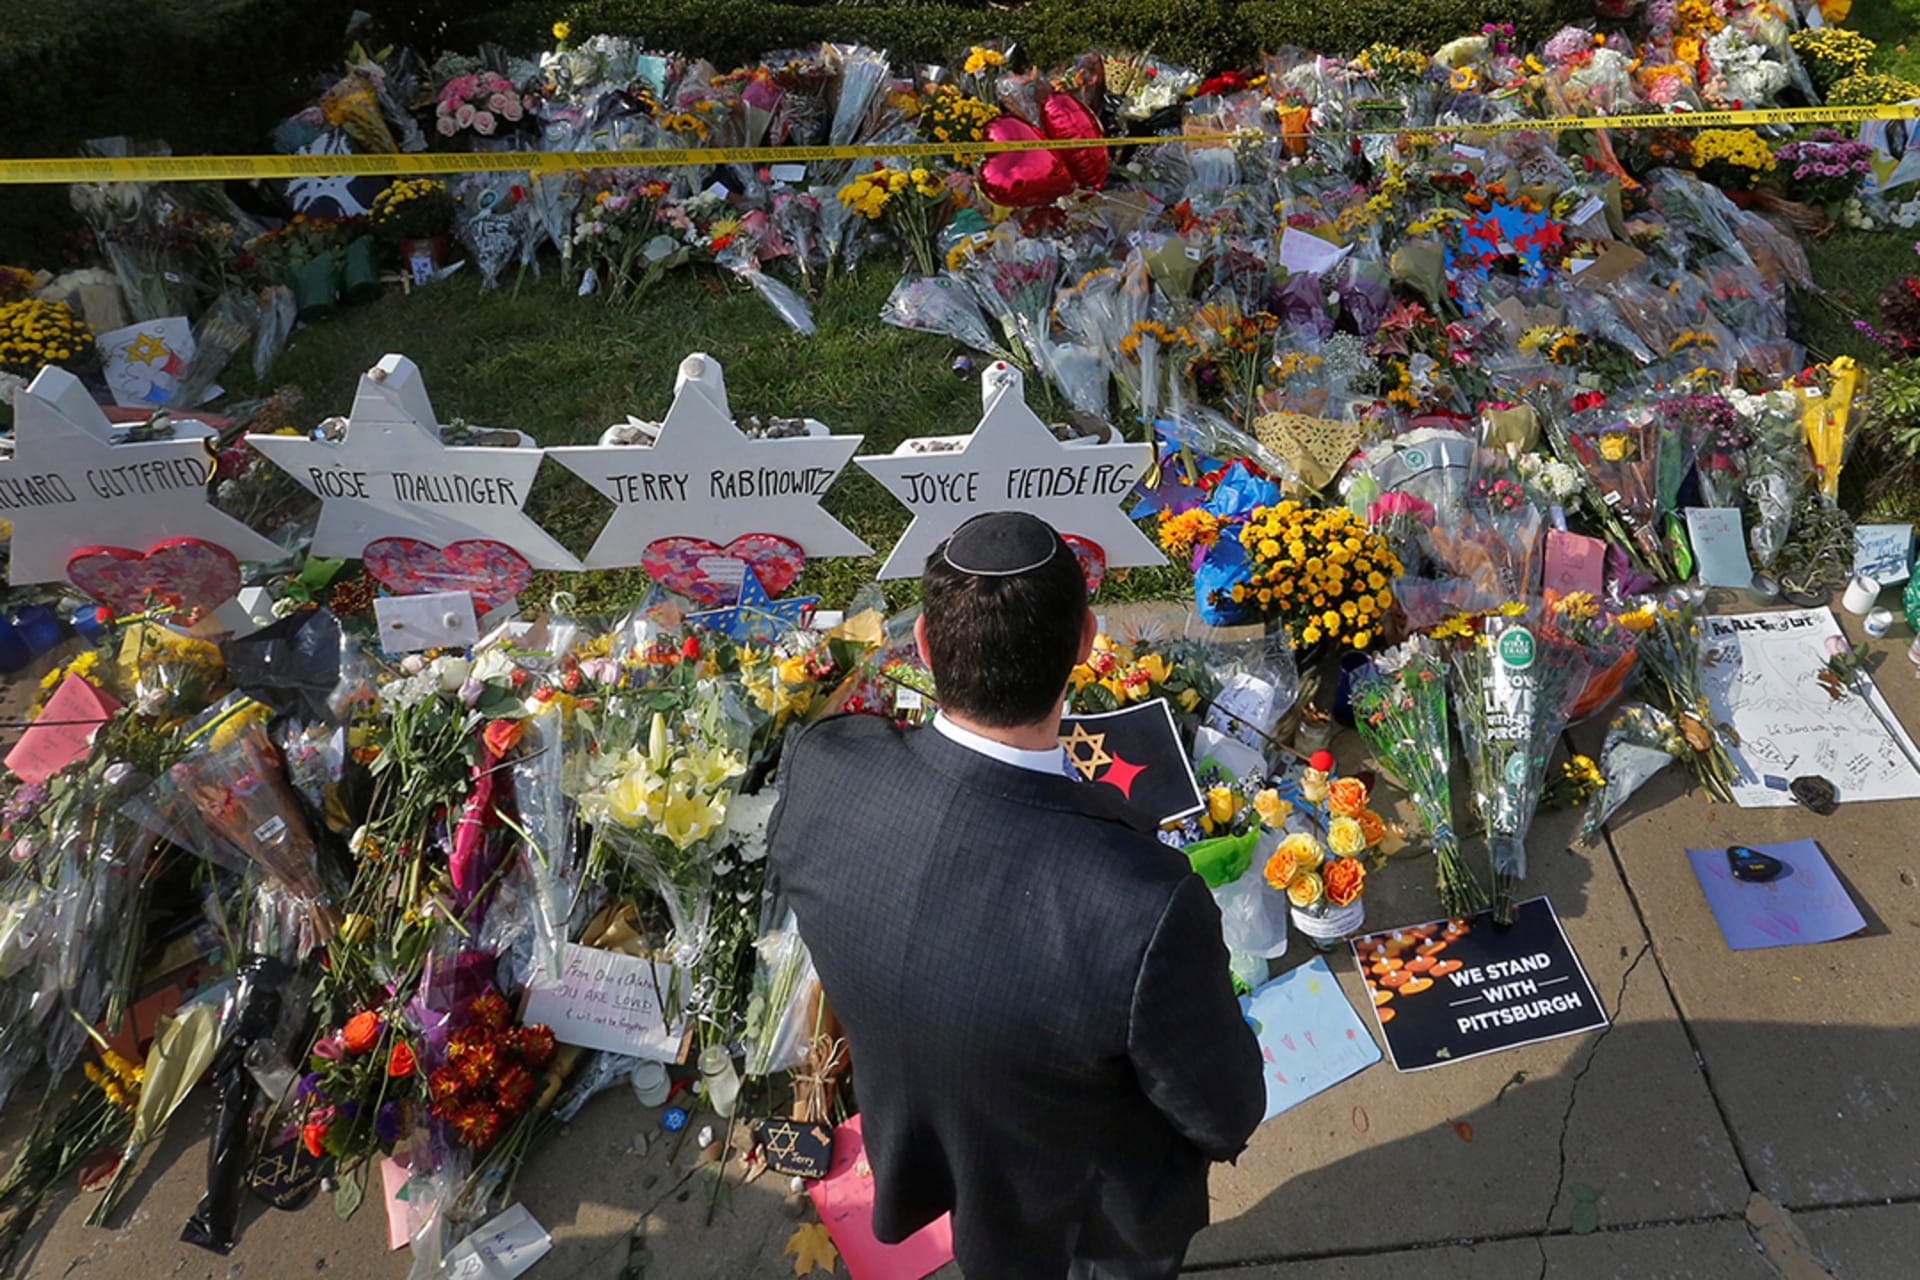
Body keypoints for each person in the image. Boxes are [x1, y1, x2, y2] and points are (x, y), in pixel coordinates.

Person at [768, 510, 1265, 1279]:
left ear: (926, 647)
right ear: (1087, 644)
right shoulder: (1140, 906)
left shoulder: (826, 770)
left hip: (926, 1135)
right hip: (1087, 1216)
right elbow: (1221, 1108)